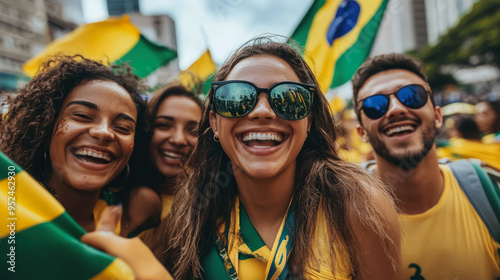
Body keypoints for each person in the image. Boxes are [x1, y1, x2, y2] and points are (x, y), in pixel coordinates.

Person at [83, 37, 402, 280]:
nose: (262, 111)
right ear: (214, 124)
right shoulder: (191, 212)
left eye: (288, 99)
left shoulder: (356, 202)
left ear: (308, 122)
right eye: (237, 98)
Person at [352, 53, 500, 279]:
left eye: (412, 96)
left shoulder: (491, 188)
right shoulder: (339, 210)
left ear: (438, 116)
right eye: (375, 105)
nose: (395, 109)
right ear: (361, 132)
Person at [0, 55, 157, 236]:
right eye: (82, 115)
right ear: (45, 125)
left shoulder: (136, 216)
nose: (104, 132)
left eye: (123, 127)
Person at [147, 82, 203, 218]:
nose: (178, 139)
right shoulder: (110, 197)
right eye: (164, 125)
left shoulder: (211, 207)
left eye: (193, 130)